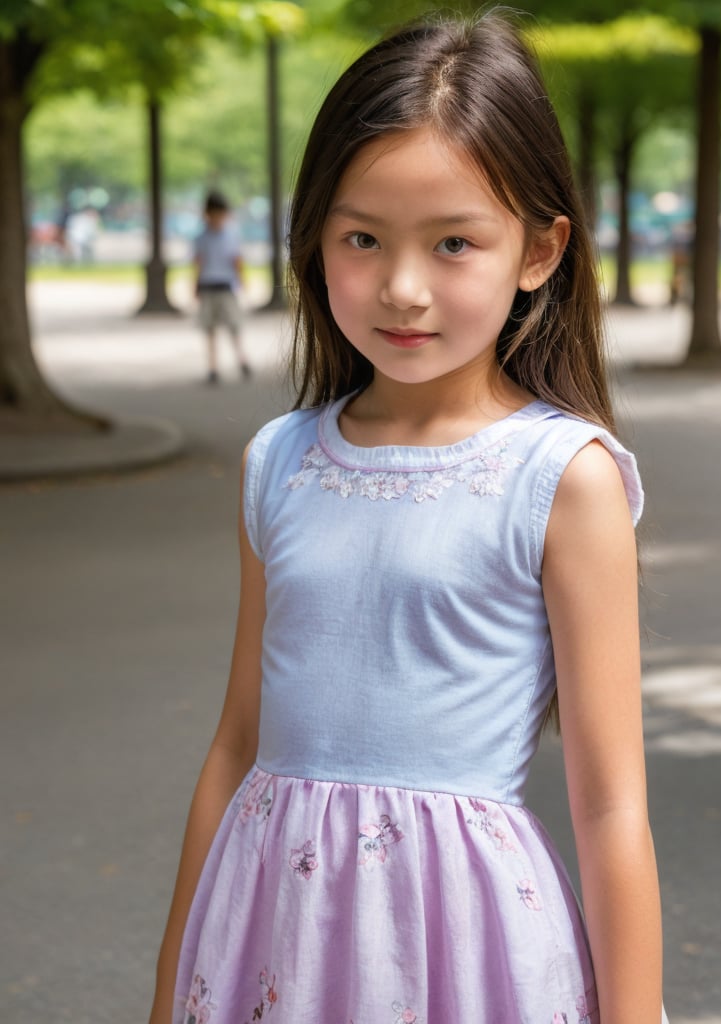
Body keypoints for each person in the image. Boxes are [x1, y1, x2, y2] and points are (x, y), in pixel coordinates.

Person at [149, 12, 668, 1023]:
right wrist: (173, 989)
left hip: (462, 945)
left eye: (454, 243)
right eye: (362, 238)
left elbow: (611, 804)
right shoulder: (282, 461)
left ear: (538, 250)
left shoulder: (563, 475)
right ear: (315, 236)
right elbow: (237, 741)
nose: (402, 287)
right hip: (268, 933)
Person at [194, 191, 251, 385]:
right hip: (208, 285)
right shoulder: (202, 236)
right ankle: (213, 367)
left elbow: (237, 260)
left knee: (234, 325)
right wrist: (195, 285)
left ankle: (242, 360)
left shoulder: (231, 234)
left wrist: (242, 280)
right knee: (209, 328)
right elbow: (198, 262)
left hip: (226, 286)